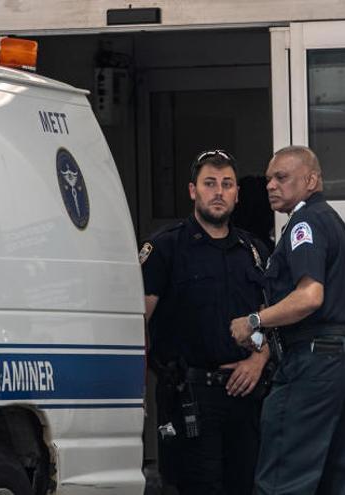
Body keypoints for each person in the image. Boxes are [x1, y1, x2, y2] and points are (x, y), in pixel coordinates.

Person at [230, 145, 345, 495]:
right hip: (344, 356)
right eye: (268, 179)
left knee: (283, 478)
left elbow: (310, 295)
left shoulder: (304, 224)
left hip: (313, 359)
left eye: (282, 177)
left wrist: (254, 320)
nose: (271, 186)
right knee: (341, 479)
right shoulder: (332, 220)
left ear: (311, 180)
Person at [140, 149, 270, 495]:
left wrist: (259, 360)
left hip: (244, 395)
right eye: (209, 183)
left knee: (245, 486)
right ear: (192, 191)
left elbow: (271, 319)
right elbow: (138, 323)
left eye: (227, 184)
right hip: (189, 395)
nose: (219, 192)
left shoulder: (253, 250)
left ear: (237, 194)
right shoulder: (165, 248)